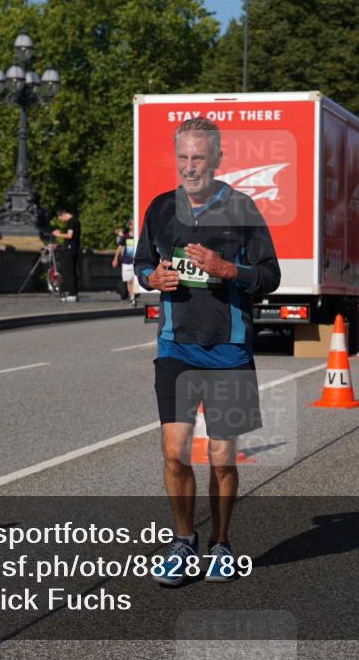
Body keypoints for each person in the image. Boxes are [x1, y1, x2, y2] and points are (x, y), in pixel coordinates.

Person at [134, 117, 280, 586]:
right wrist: (151, 279)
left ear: (217, 159)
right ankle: (183, 542)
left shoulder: (242, 208)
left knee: (221, 459)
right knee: (174, 454)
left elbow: (270, 276)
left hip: (230, 350)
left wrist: (227, 269)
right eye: (183, 157)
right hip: (176, 347)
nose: (190, 166)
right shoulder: (159, 208)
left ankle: (220, 543)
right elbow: (140, 263)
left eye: (199, 157)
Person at [53, 210, 80, 302]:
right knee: (72, 271)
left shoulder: (71, 222)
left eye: (61, 219)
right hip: (74, 249)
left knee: (68, 272)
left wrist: (58, 234)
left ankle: (71, 294)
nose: (62, 221)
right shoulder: (76, 221)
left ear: (63, 215)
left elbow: (69, 235)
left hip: (69, 250)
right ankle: (74, 294)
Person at [112, 219, 137, 305]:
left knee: (134, 280)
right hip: (126, 262)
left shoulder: (138, 236)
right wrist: (115, 259)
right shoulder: (125, 237)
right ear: (129, 226)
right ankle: (132, 296)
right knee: (128, 281)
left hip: (135, 262)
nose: (134, 225)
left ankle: (133, 297)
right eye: (132, 224)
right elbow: (119, 248)